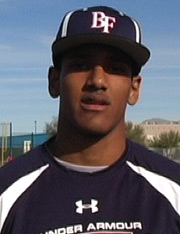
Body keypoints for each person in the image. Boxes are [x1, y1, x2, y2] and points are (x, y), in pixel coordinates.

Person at [0, 5, 180, 234]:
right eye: (80, 65)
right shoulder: (6, 192)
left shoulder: (173, 189)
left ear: (134, 88)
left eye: (115, 68)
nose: (97, 80)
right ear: (54, 81)